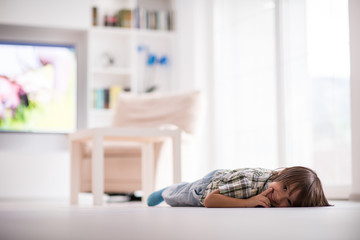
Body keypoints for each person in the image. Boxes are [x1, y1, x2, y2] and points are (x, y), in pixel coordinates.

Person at [147, 166, 331, 208]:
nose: (280, 198)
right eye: (284, 188)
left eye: (289, 201)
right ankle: (166, 190)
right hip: (208, 186)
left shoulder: (274, 182)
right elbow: (210, 201)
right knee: (179, 196)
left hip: (226, 179)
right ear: (281, 173)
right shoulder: (248, 186)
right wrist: (248, 202)